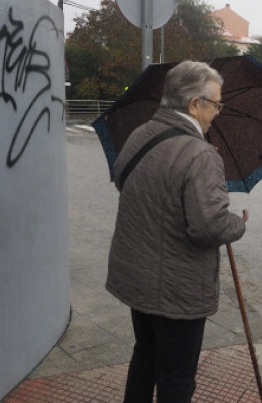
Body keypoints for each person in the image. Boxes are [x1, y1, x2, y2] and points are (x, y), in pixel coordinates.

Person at [106, 61, 248, 403]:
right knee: (176, 377)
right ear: (193, 104)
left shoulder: (141, 134)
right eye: (215, 104)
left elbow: (125, 182)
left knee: (145, 358)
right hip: (177, 289)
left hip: (137, 277)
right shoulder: (199, 154)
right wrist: (238, 224)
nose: (218, 112)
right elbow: (209, 227)